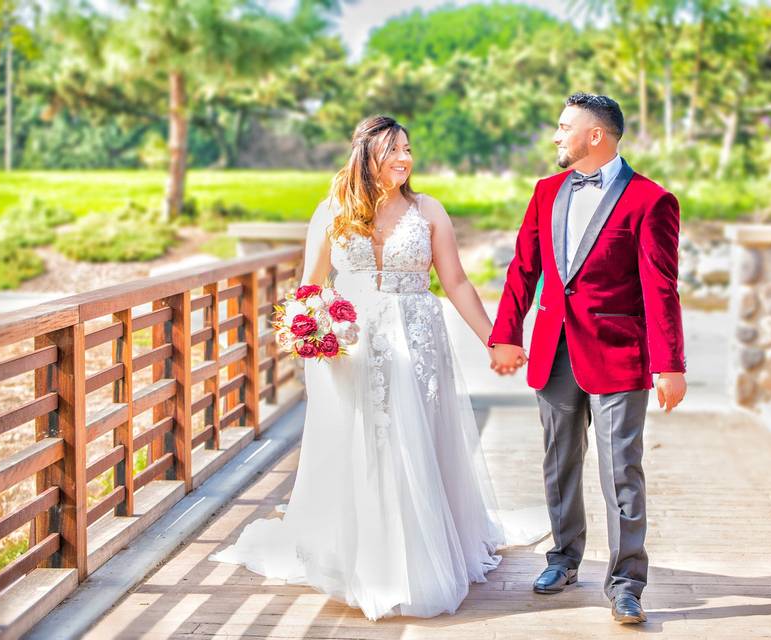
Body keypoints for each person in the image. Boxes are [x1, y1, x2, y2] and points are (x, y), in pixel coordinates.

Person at [211, 115, 542, 620]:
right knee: (361, 441)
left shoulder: (428, 210)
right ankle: (360, 555)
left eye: (408, 149)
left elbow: (455, 282)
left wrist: (498, 340)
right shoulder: (333, 211)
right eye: (392, 151)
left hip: (417, 337)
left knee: (414, 439)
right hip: (351, 345)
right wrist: (309, 330)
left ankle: (421, 554)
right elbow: (311, 285)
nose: (404, 159)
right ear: (367, 155)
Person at [488, 92, 688, 624]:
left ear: (594, 135)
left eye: (563, 127)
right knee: (560, 462)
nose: (555, 136)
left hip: (620, 356)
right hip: (554, 350)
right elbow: (522, 269)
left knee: (622, 470)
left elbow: (660, 287)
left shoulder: (651, 200)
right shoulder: (547, 191)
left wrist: (670, 364)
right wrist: (505, 334)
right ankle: (564, 558)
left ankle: (626, 583)